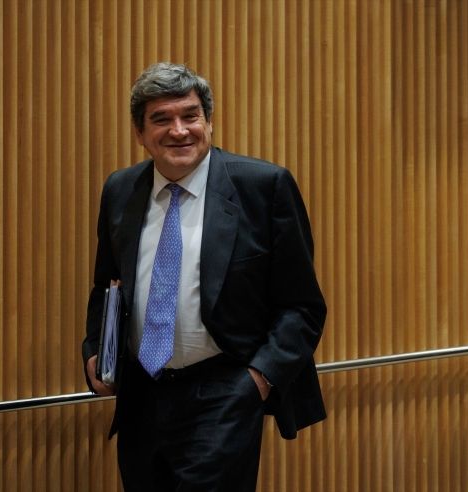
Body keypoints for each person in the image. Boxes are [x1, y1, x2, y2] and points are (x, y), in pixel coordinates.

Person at [82, 62, 327, 492]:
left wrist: (258, 380)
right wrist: (95, 352)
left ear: (209, 121)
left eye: (190, 116)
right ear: (140, 132)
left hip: (224, 392)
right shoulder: (120, 189)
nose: (179, 130)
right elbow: (107, 285)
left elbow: (302, 306)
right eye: (161, 119)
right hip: (141, 395)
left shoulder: (263, 186)